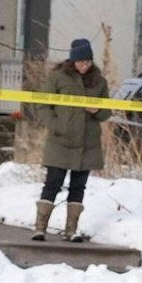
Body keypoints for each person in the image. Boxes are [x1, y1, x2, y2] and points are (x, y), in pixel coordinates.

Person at [34, 40, 108, 243]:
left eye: (88, 62)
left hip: (88, 143)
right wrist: (56, 125)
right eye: (81, 62)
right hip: (60, 141)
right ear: (73, 60)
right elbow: (43, 105)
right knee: (53, 183)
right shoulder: (58, 77)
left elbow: (107, 111)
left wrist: (98, 110)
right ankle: (40, 228)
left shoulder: (99, 81)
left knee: (78, 186)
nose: (85, 66)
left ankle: (71, 230)